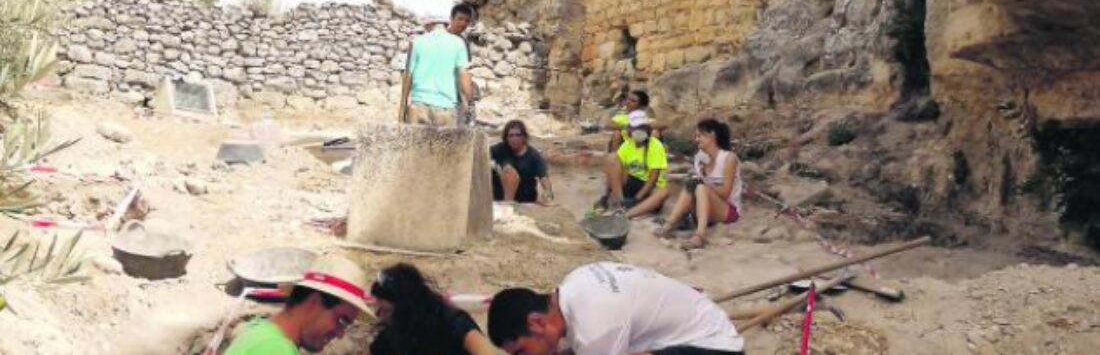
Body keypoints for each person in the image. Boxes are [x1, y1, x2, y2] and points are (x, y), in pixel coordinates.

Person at [487, 261, 745, 355]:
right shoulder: (574, 281)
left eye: (522, 352)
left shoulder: (594, 330)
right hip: (699, 322)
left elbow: (592, 340)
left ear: (537, 323)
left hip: (717, 347)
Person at [225, 254, 371, 354]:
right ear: (314, 302)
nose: (340, 334)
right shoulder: (276, 350)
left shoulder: (261, 331)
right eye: (341, 320)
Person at [368, 263, 497, 355]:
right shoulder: (393, 334)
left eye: (385, 310)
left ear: (405, 308)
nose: (379, 316)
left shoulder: (454, 323)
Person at [653, 119, 744, 250]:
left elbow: (725, 193)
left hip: (727, 210)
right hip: (704, 207)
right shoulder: (700, 158)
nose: (697, 139)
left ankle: (700, 235)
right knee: (692, 184)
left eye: (699, 135)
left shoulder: (728, 158)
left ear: (711, 135)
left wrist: (704, 183)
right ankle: (669, 224)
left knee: (700, 187)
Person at [399, 10, 474, 127]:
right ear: (446, 24)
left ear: (428, 25)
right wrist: (469, 103)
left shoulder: (417, 42)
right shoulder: (458, 43)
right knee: (445, 145)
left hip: (418, 105)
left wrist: (402, 109)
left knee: (417, 145)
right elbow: (463, 75)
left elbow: (408, 75)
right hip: (446, 107)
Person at [601, 114, 670, 219]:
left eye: (641, 127)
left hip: (648, 188)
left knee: (664, 192)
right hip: (631, 183)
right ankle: (621, 202)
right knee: (612, 158)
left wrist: (637, 198)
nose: (638, 131)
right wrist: (606, 195)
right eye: (635, 127)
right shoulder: (627, 145)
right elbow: (613, 170)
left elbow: (653, 179)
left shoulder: (656, 146)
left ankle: (627, 214)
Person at [491, 119, 553, 203]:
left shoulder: (533, 156)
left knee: (509, 171)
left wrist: (548, 192)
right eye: (511, 136)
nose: (514, 139)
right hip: (499, 198)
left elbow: (543, 177)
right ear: (506, 137)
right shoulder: (499, 149)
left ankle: (508, 204)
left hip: (524, 199)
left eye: (518, 135)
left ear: (524, 137)